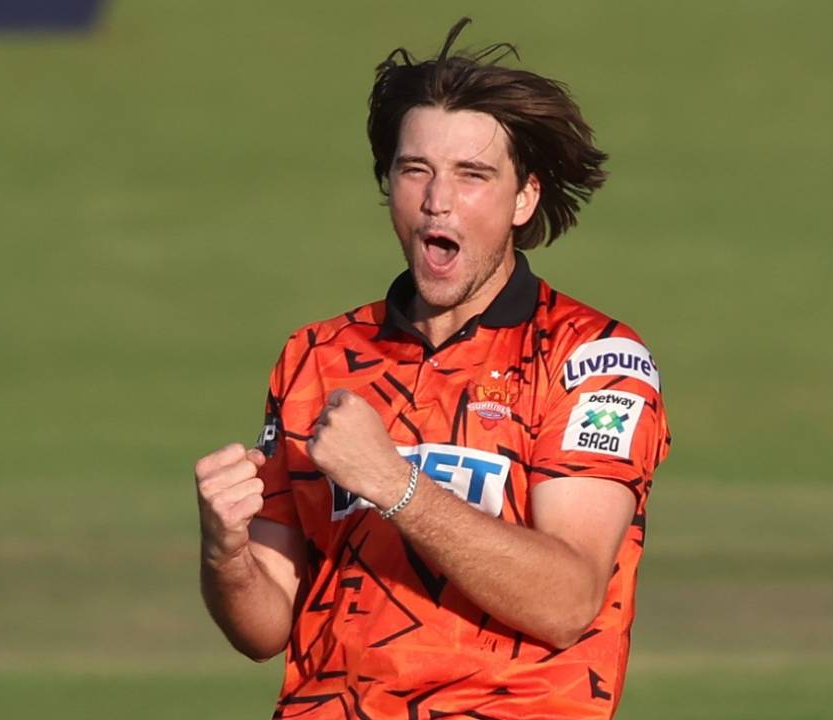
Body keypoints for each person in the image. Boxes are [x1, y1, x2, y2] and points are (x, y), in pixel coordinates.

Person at [195, 18, 671, 719]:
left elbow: (567, 600)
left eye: (472, 175)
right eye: (415, 170)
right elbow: (264, 629)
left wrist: (392, 481)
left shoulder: (592, 360)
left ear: (524, 199)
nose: (436, 200)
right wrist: (224, 555)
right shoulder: (316, 357)